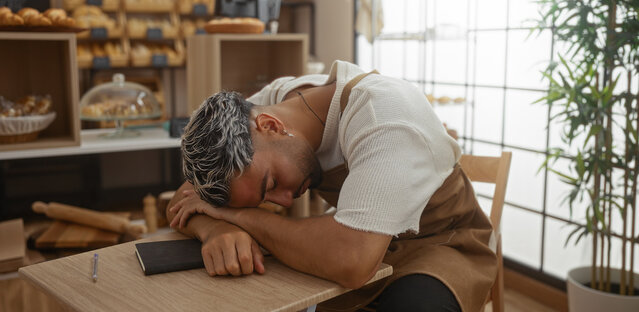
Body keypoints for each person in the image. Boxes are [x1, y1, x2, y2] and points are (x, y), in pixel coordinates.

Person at [167, 60, 497, 312]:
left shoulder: (384, 118)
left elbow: (352, 262)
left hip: (440, 243)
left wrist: (243, 219)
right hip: (356, 238)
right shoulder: (268, 108)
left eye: (273, 183)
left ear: (271, 126)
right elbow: (185, 198)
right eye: (264, 197)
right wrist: (214, 230)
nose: (282, 201)